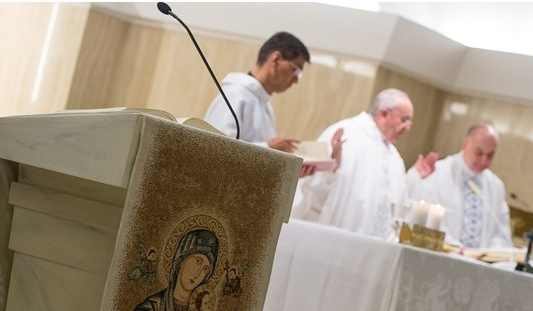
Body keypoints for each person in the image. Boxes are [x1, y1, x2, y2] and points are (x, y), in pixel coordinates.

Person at [292, 88, 436, 240]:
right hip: (336, 237)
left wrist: (413, 177)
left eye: (410, 122)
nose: (408, 127)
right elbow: (309, 183)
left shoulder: (394, 156)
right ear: (384, 113)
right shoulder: (346, 134)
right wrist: (333, 165)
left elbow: (396, 200)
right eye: (404, 120)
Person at [407, 123, 513, 249]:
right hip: (443, 254)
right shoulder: (439, 172)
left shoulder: (496, 186)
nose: (484, 161)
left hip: (479, 260)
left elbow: (501, 233)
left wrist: (489, 254)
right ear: (465, 144)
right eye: (479, 153)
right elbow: (427, 218)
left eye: (490, 155)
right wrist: (456, 249)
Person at [204, 31, 310, 154]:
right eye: (296, 71)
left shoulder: (264, 103)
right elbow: (215, 148)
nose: (296, 80)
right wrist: (268, 147)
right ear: (276, 59)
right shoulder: (236, 94)